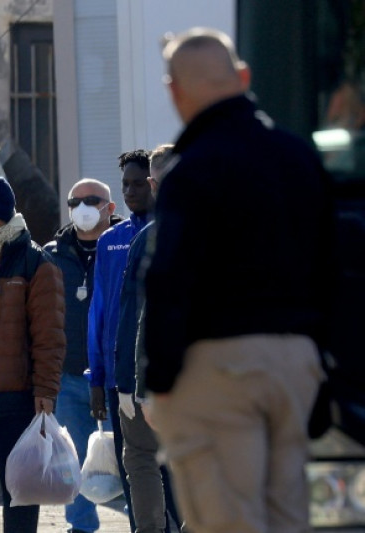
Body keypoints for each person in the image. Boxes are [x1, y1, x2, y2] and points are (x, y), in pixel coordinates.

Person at [144, 28, 332, 533]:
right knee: (287, 520)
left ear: (174, 91)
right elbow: (332, 270)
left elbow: (169, 279)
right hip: (296, 366)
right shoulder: (300, 157)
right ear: (244, 77)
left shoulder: (192, 170)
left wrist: (158, 380)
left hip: (218, 367)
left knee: (226, 521)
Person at [0, 176, 66, 532]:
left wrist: (45, 391)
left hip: (16, 399)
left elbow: (49, 335)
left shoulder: (35, 262)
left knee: (19, 493)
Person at [113, 145, 183, 533]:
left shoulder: (149, 238)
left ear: (155, 183)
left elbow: (134, 314)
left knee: (141, 458)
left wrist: (130, 382)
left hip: (149, 374)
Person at [46, 178, 120, 533]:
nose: (83, 208)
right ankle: (81, 527)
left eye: (92, 200)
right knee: (74, 458)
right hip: (71, 375)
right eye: (75, 202)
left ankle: (147, 522)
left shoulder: (125, 245)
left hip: (120, 376)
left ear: (110, 208)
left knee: (132, 459)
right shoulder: (52, 254)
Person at [86, 150, 154, 530]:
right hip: (118, 378)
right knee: (133, 472)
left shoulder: (171, 232)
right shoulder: (111, 240)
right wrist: (97, 379)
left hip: (157, 375)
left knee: (170, 473)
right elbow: (98, 314)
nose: (130, 190)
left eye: (138, 182)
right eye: (125, 184)